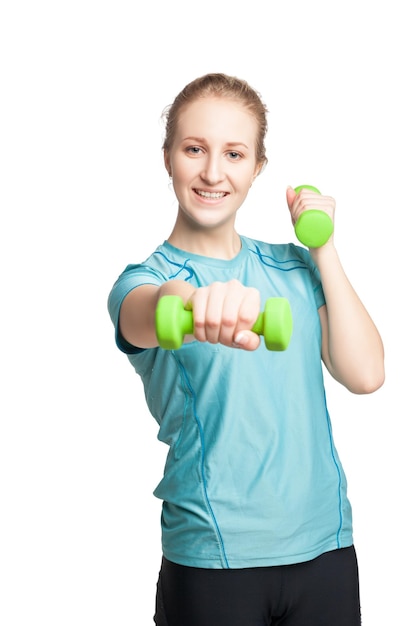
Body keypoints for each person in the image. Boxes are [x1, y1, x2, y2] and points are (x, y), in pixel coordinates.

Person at [107, 73, 385, 626]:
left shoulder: (294, 267)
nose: (213, 172)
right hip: (213, 560)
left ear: (257, 167)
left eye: (234, 153)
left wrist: (322, 247)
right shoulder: (143, 279)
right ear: (168, 158)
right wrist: (186, 304)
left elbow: (366, 373)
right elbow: (148, 313)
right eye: (195, 149)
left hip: (325, 548)